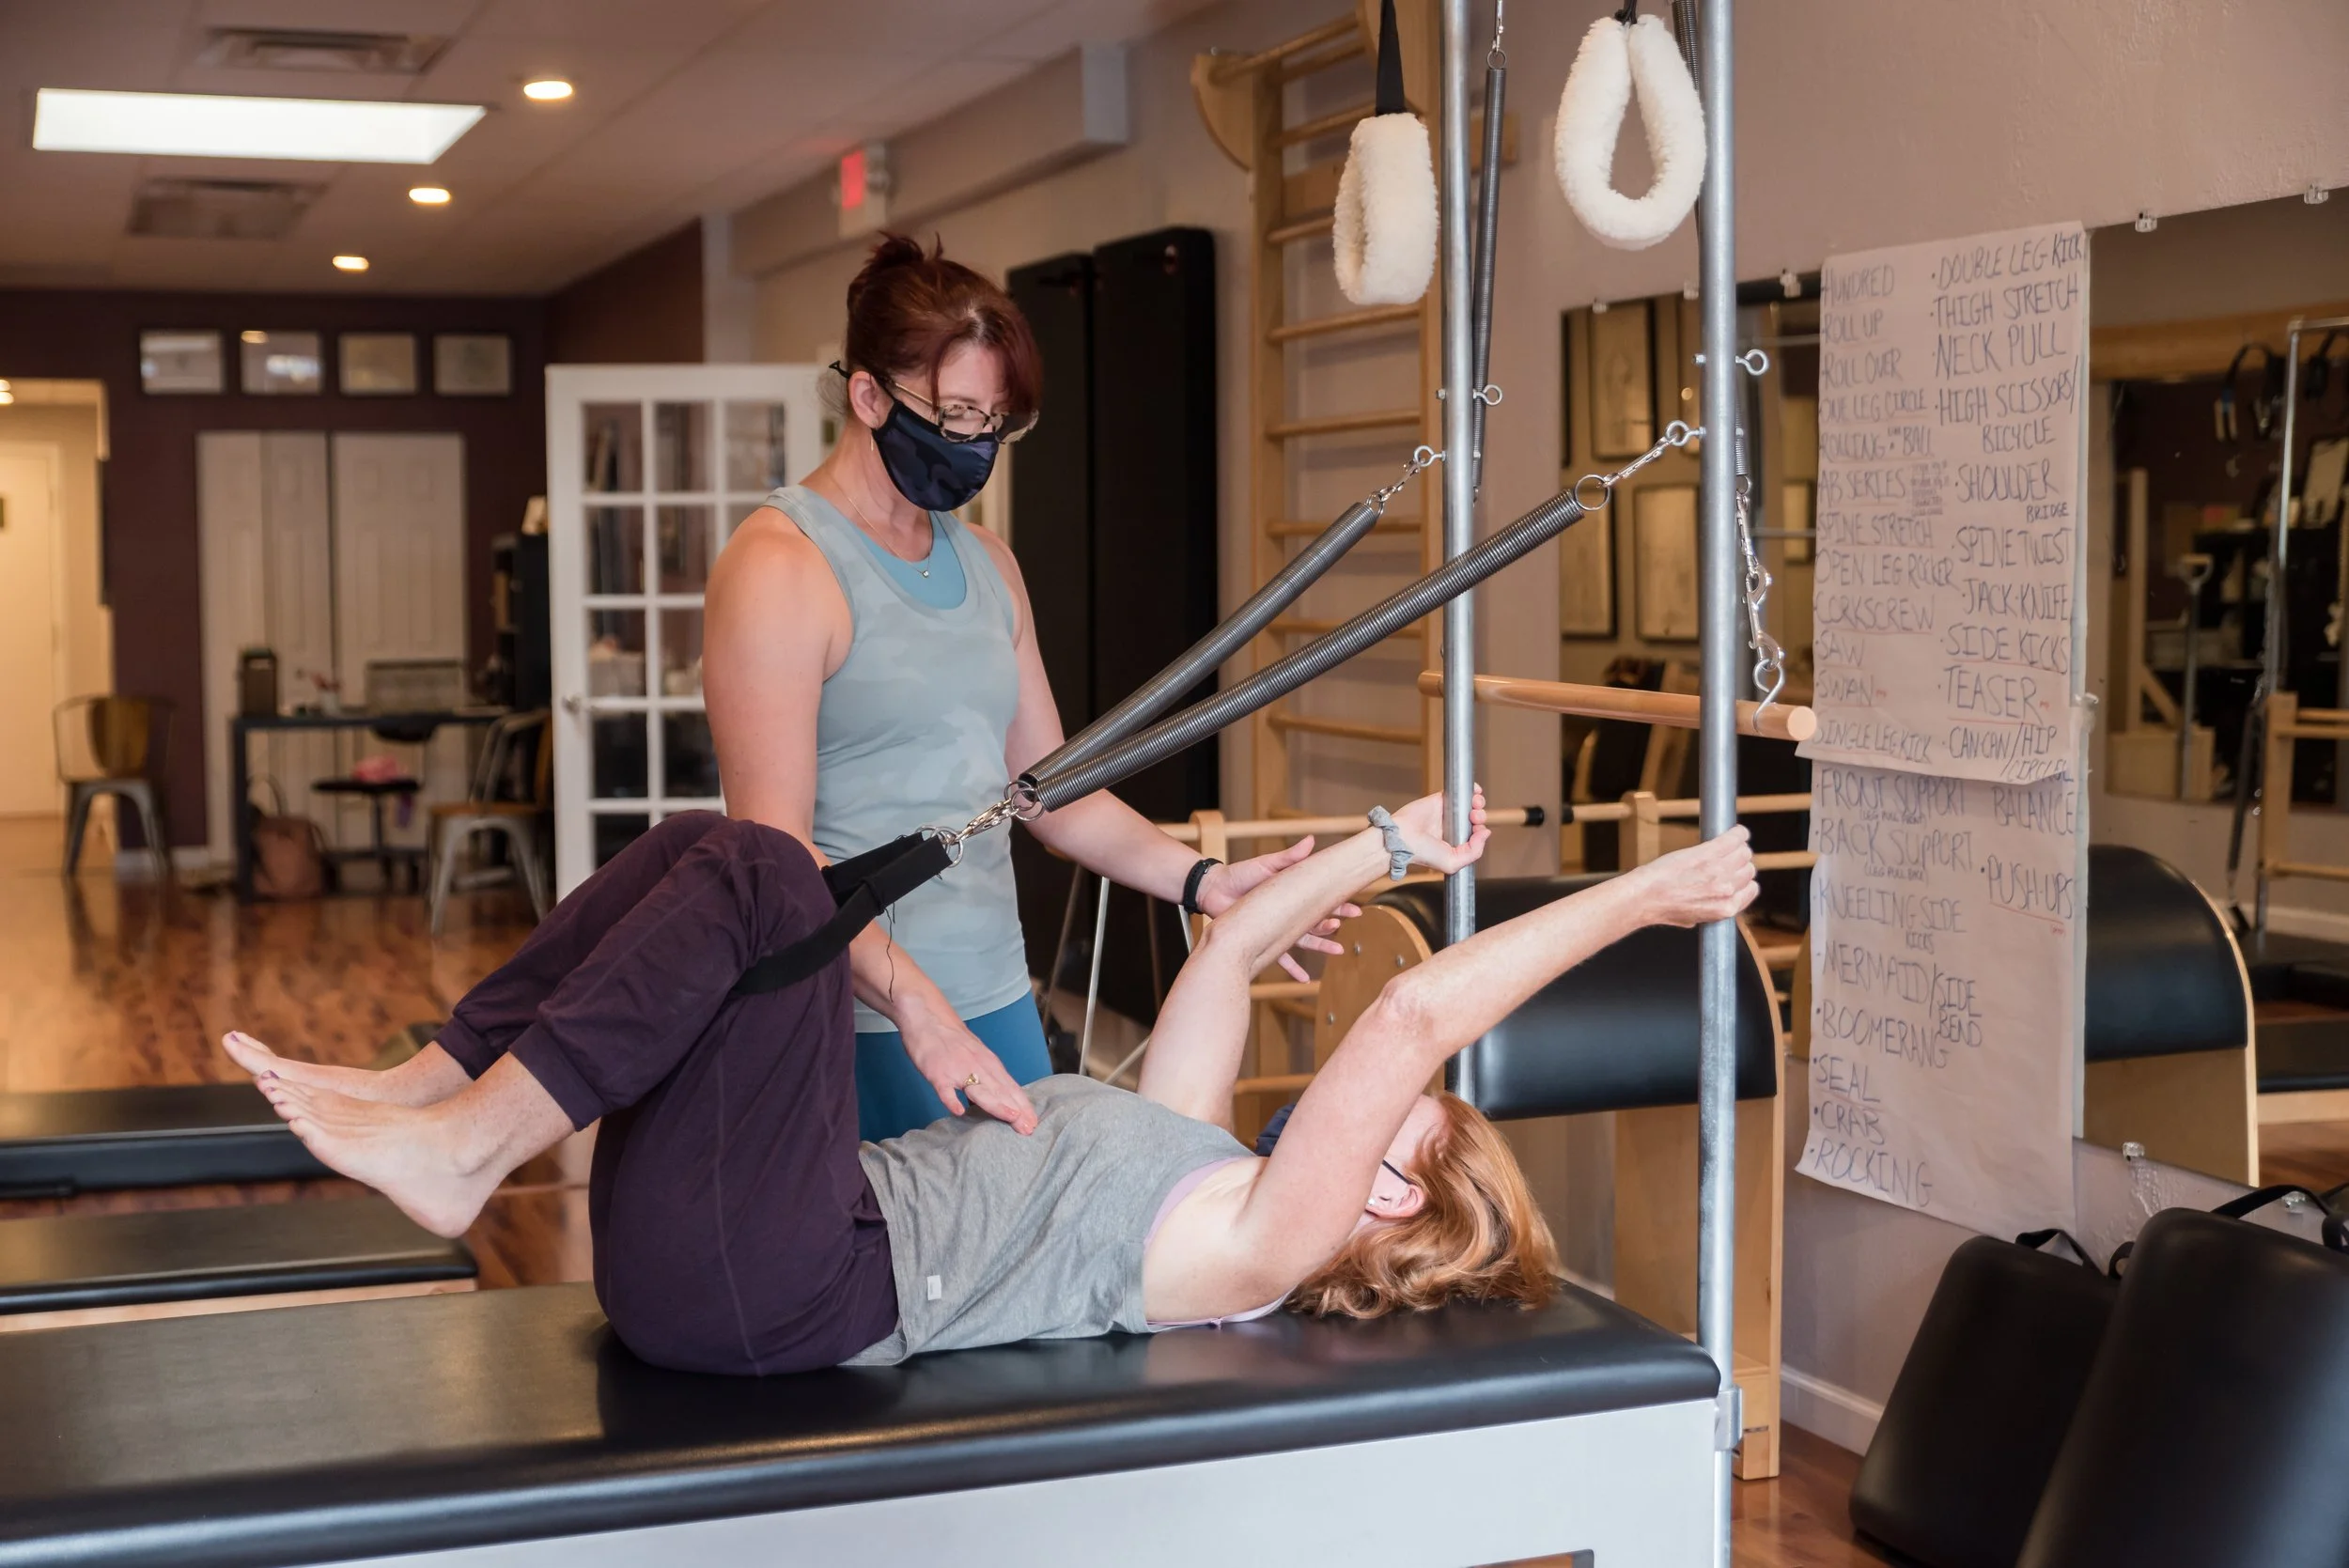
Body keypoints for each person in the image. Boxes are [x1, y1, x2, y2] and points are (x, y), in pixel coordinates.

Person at [222, 790, 1758, 1376]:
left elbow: (1415, 1009)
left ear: (1393, 1196)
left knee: (770, 875)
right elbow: (1228, 949)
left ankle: (470, 1147)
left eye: (1413, 1119)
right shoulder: (1195, 1157)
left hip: (782, 1284)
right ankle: (441, 1085)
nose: (1376, 1095)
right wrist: (1393, 841)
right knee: (715, 842)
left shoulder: (1258, 1247)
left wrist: (1643, 894)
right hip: (749, 1238)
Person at [704, 233, 1346, 1143]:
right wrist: (917, 1006)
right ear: (868, 395)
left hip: (998, 995)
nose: (976, 444)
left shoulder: (989, 562)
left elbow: (1052, 795)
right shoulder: (781, 565)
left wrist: (1203, 881)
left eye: (995, 422)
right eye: (957, 414)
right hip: (863, 1016)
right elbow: (777, 858)